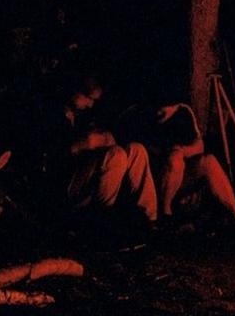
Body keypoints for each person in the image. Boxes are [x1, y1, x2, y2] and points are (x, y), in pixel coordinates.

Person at [54, 76, 158, 223]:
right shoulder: (53, 115)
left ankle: (149, 218)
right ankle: (101, 219)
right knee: (116, 154)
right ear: (75, 91)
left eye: (94, 101)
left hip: (92, 176)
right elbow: (52, 158)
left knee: (136, 150)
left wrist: (101, 140)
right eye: (88, 98)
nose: (90, 105)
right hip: (66, 186)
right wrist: (79, 146)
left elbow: (105, 139)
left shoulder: (86, 115)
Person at [145, 102, 235, 222]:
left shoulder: (182, 112)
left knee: (209, 162)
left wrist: (182, 151)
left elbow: (199, 146)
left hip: (179, 177)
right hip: (154, 183)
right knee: (174, 159)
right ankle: (165, 215)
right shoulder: (140, 117)